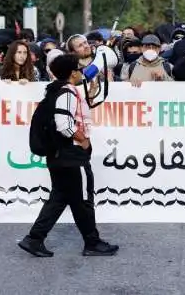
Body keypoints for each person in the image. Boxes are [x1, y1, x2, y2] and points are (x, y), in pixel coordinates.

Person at [18, 54, 118, 257]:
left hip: (58, 157)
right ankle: (92, 243)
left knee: (58, 199)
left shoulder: (57, 91)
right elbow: (64, 124)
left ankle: (34, 239)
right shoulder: (67, 93)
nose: (82, 71)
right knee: (83, 199)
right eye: (79, 69)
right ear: (73, 73)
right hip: (72, 156)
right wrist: (83, 139)